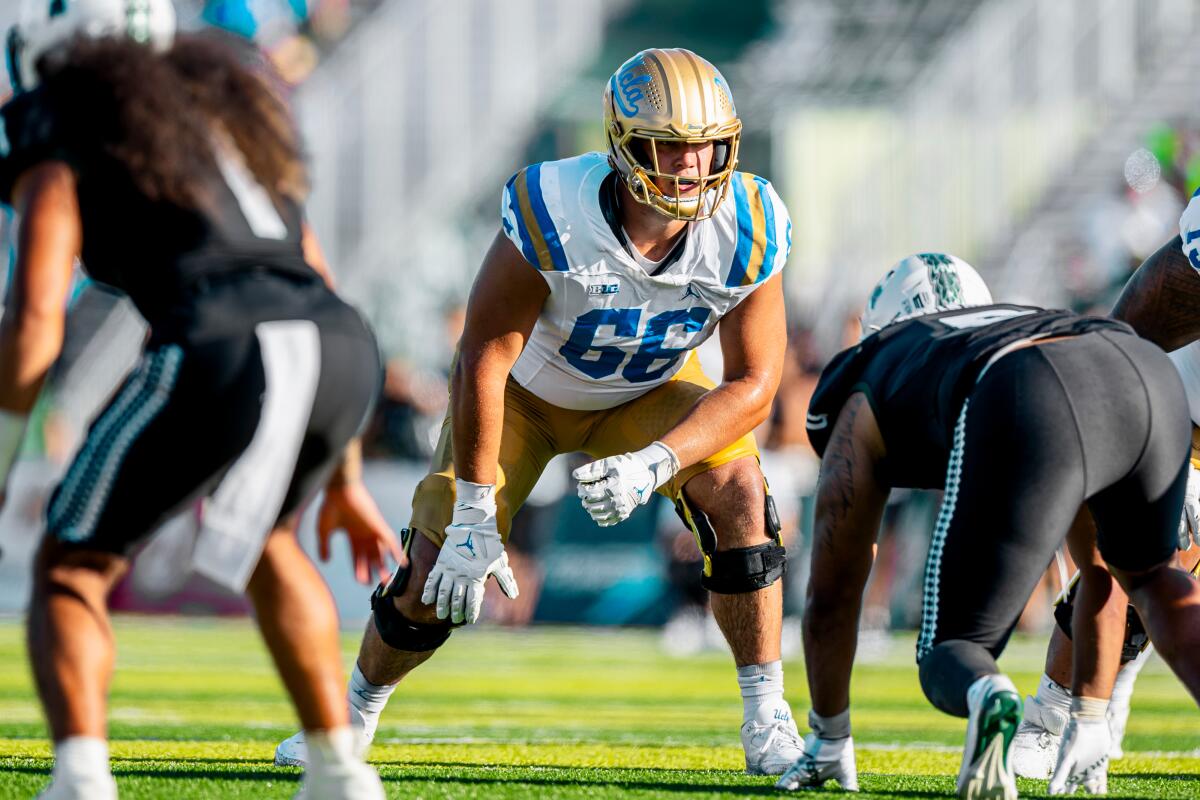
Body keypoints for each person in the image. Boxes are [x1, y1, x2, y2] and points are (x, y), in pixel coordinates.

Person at [275, 46, 804, 775]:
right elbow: (483, 355)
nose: (691, 164)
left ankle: (765, 713)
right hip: (524, 395)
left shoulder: (748, 221)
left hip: (646, 392)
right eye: (670, 145)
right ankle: (353, 714)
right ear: (624, 143)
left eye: (708, 144)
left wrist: (659, 462)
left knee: (744, 496)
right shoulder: (554, 209)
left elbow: (753, 382)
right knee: (434, 570)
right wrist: (469, 512)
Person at [0, 2, 401, 798]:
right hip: (338, 342)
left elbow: (39, 312)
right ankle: (338, 771)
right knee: (267, 541)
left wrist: (6, 447)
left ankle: (80, 776)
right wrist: (346, 475)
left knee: (72, 563)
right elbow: (312, 272)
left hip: (220, 340)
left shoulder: (68, 116)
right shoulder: (229, 108)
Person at [773, 253, 1200, 799]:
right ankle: (1091, 723)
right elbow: (1098, 572)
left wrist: (830, 737)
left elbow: (834, 588)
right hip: (1146, 369)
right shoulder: (1022, 316)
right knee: (1152, 581)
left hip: (1027, 387)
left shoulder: (872, 368)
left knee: (952, 649)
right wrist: (1088, 715)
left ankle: (989, 695)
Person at [1012, 184, 1200, 783]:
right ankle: (1050, 713)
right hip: (1181, 411)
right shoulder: (1177, 281)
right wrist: (1168, 453)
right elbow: (1122, 352)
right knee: (1138, 563)